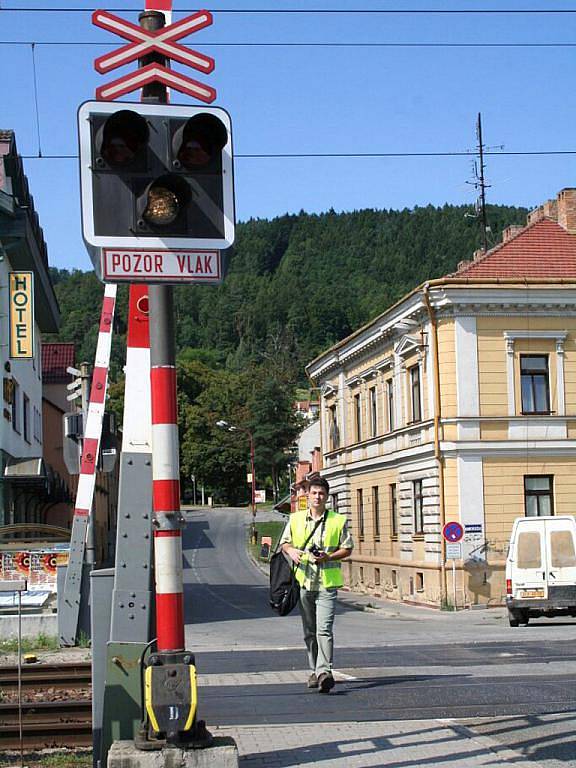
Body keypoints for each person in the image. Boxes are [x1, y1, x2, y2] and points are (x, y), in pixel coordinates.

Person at [280, 474, 353, 693]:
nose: (318, 497)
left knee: (324, 630)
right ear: (308, 495)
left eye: (322, 493)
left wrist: (327, 557)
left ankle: (324, 672)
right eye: (314, 493)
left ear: (327, 497)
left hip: (326, 584)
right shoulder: (295, 519)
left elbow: (347, 548)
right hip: (304, 583)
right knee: (309, 631)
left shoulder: (337, 520)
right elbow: (284, 543)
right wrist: (292, 550)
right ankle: (315, 669)